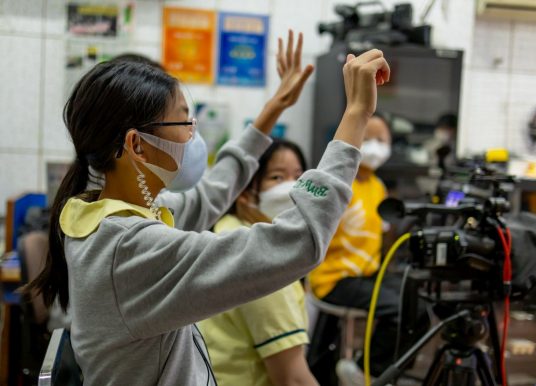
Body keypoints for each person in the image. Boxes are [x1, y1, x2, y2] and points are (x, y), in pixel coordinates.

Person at [25, 26, 390, 385]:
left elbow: (209, 195)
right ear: (137, 146)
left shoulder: (108, 213)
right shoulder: (128, 248)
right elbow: (295, 243)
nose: (192, 136)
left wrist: (274, 108)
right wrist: (356, 115)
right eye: (184, 121)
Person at [308, 115, 429, 384]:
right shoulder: (337, 184)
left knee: (419, 304)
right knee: (399, 310)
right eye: (367, 138)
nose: (374, 146)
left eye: (381, 140)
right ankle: (368, 371)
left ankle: (388, 368)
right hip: (335, 278)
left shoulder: (377, 186)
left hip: (369, 271)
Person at [198, 139, 318, 386]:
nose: (291, 188)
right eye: (276, 177)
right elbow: (292, 378)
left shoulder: (225, 231)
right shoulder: (261, 258)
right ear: (244, 192)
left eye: (298, 176)